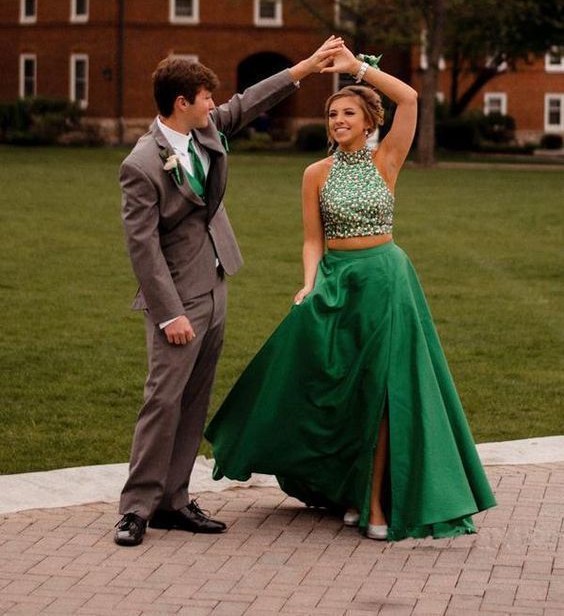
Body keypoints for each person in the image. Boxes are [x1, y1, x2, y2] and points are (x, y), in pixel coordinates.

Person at [205, 43, 496, 541]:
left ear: (367, 123)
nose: (339, 120)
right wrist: (308, 284)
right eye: (334, 113)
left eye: (349, 113)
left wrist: (357, 69)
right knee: (336, 388)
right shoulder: (314, 174)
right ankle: (346, 487)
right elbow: (312, 240)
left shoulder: (387, 160)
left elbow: (410, 99)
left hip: (386, 279)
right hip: (339, 282)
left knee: (383, 390)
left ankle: (377, 505)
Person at [114, 37, 344, 547]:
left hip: (216, 283)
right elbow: (143, 249)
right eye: (205, 98)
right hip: (178, 299)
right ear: (182, 103)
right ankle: (135, 509)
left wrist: (304, 68)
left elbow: (248, 101)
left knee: (194, 399)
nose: (214, 106)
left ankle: (173, 500)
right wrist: (169, 313)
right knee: (163, 399)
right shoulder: (142, 165)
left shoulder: (205, 131)